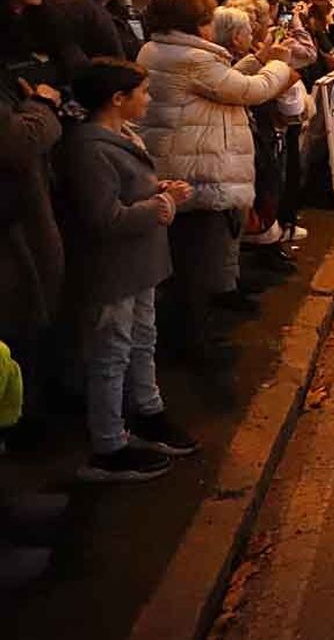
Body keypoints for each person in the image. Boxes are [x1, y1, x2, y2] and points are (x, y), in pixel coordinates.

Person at [57, 59, 199, 482]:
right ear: (117, 99)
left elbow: (130, 193)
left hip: (140, 264)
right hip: (112, 271)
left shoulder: (122, 136)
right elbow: (105, 218)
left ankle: (147, 412)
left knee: (141, 341)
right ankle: (108, 444)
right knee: (111, 354)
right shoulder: (89, 149)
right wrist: (162, 204)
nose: (148, 99)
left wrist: (159, 190)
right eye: (143, 92)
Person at [137, 0, 296, 357]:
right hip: (196, 171)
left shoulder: (164, 50)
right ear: (196, 25)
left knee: (191, 260)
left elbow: (222, 84)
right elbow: (250, 90)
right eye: (208, 20)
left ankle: (194, 335)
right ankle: (192, 344)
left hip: (183, 163)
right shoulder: (191, 58)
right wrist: (278, 64)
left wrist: (257, 59)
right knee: (196, 265)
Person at [0, 0, 66, 448]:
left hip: (30, 198)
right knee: (21, 315)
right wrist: (43, 106)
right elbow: (15, 142)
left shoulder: (32, 31)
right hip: (13, 209)